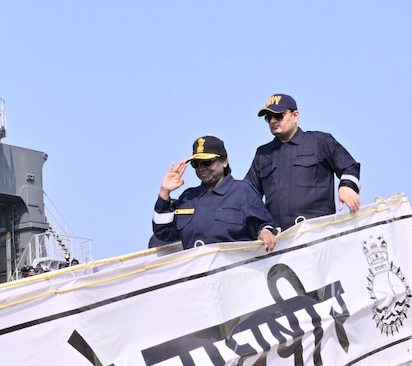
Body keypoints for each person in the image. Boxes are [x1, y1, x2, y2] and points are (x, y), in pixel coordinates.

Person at [243, 93, 361, 231]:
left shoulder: (320, 142)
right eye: (268, 118)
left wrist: (346, 186)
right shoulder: (263, 154)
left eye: (279, 115)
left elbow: (350, 166)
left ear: (296, 116)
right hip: (280, 240)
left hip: (318, 234)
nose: (273, 121)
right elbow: (248, 195)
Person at [153, 136, 277, 252]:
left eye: (207, 162)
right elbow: (164, 233)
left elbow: (265, 225)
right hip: (198, 273)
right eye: (196, 164)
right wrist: (165, 192)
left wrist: (265, 232)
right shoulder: (188, 197)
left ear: (224, 162)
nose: (201, 168)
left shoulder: (242, 191)